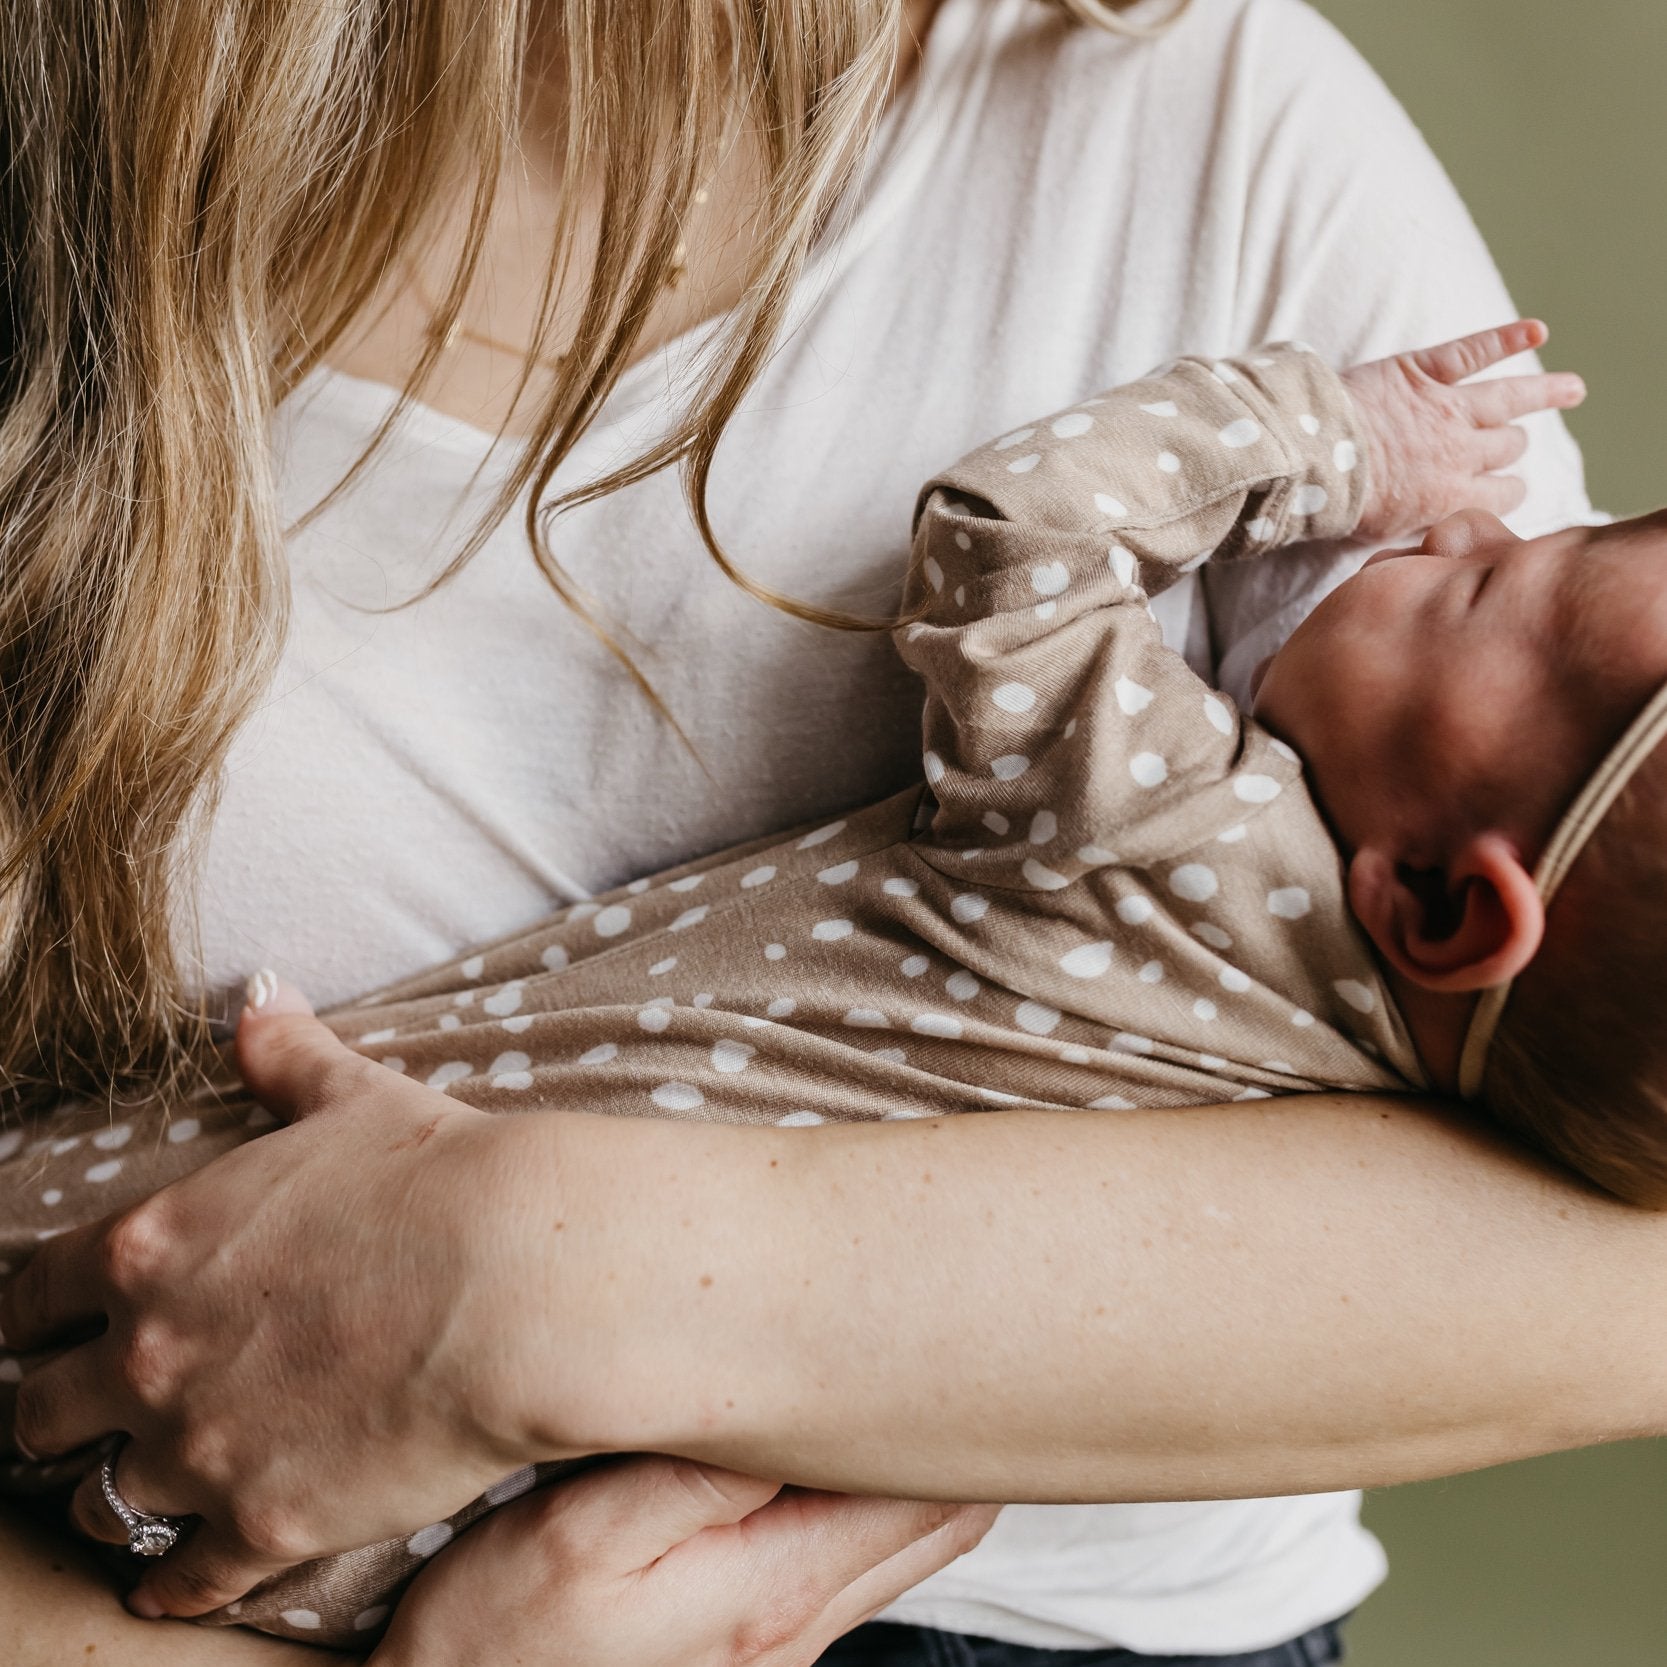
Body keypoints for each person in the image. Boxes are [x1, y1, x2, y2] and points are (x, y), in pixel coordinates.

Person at [0, 0, 1646, 1664]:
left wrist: (1326, 435)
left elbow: (1016, 551)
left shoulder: (1184, 792)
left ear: (1443, 901)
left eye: (1496, 571)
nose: (1447, 527)